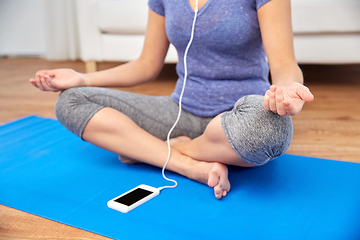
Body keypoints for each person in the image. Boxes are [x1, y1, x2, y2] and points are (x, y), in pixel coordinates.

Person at [29, 0, 314, 199]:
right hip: (180, 111)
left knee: (271, 133)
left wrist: (288, 89)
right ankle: (186, 163)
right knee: (70, 101)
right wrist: (82, 79)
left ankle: (165, 148)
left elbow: (284, 64)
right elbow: (146, 64)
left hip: (239, 118)